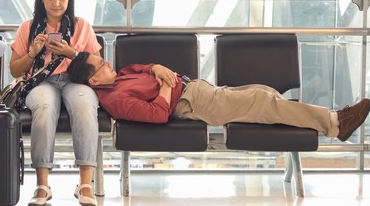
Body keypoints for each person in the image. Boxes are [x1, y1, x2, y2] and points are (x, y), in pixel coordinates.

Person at [67, 52, 370, 142]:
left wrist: (156, 67)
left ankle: (317, 119)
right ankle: (335, 123)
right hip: (194, 103)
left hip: (197, 88)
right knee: (264, 103)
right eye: (101, 65)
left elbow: (140, 66)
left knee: (264, 93)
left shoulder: (119, 76)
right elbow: (157, 115)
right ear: (93, 80)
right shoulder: (114, 99)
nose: (108, 63)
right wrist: (165, 85)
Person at [10, 0, 101, 206]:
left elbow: (98, 65)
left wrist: (70, 53)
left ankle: (85, 184)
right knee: (45, 105)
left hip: (75, 81)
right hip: (40, 82)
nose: (56, 3)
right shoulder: (27, 28)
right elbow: (14, 69)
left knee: (84, 106)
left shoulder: (82, 26)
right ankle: (42, 185)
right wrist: (34, 52)